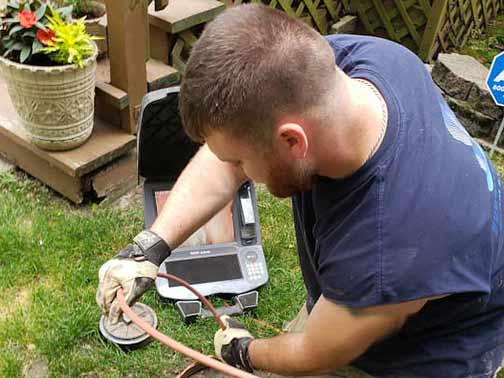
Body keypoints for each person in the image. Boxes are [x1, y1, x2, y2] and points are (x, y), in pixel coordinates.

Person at [96, 4, 504, 377]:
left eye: (239, 161)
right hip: (382, 287)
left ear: (292, 141)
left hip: (427, 355)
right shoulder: (354, 65)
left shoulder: (385, 246)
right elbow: (224, 157)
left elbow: (315, 351)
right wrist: (148, 247)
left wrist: (242, 351)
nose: (234, 171)